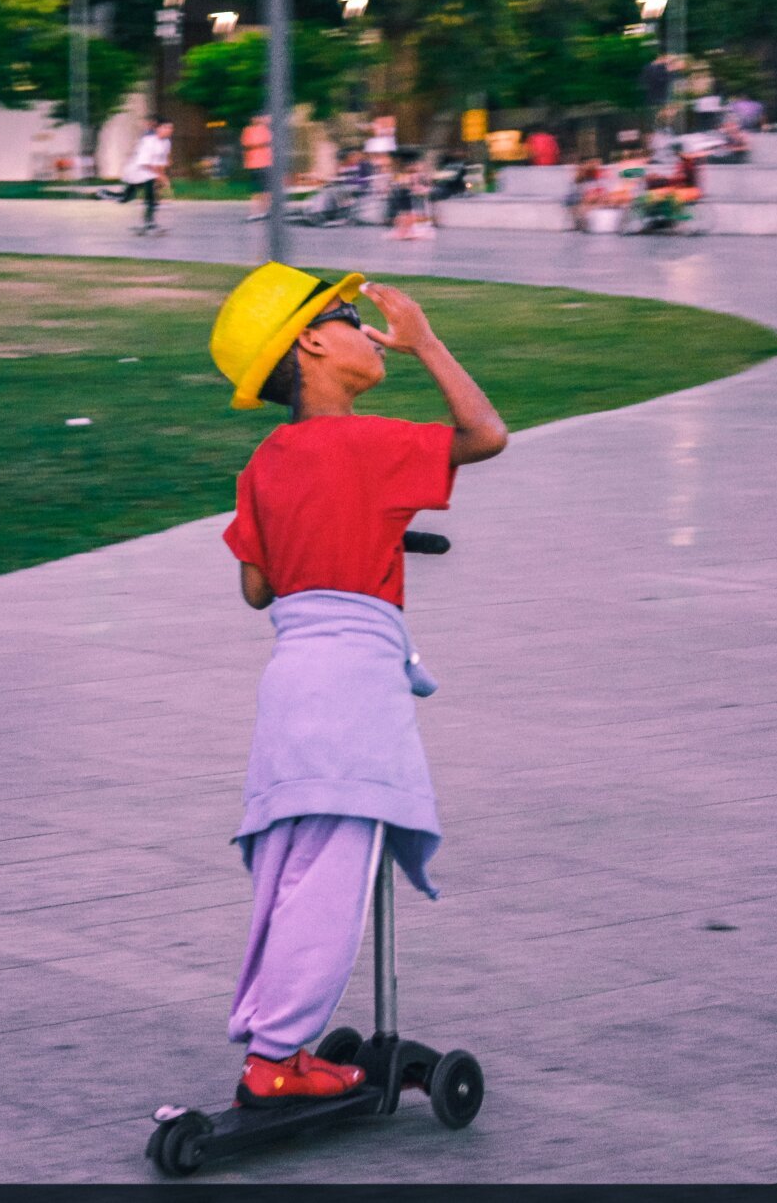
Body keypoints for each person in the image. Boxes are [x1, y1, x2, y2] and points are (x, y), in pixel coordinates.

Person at [208, 262, 507, 1105]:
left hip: (291, 678)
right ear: (310, 342)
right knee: (338, 867)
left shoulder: (266, 461)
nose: (364, 330)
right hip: (352, 680)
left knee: (290, 865)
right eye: (344, 315)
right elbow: (485, 433)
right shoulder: (368, 441)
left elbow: (259, 586)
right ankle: (276, 1059)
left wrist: (342, 533)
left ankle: (284, 1043)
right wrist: (425, 342)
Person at [95, 116, 172, 231]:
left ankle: (104, 193)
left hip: (148, 173)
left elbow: (161, 162)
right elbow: (144, 163)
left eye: (170, 128)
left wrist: (162, 176)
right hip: (136, 171)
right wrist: (160, 176)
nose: (169, 130)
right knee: (135, 196)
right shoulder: (148, 141)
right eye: (165, 127)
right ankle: (149, 223)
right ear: (158, 128)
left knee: (131, 197)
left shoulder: (166, 143)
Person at [241, 113, 273, 221]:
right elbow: (247, 144)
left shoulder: (265, 129)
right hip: (254, 164)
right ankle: (255, 212)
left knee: (266, 189)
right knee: (256, 189)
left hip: (265, 163)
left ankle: (266, 211)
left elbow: (269, 142)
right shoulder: (248, 130)